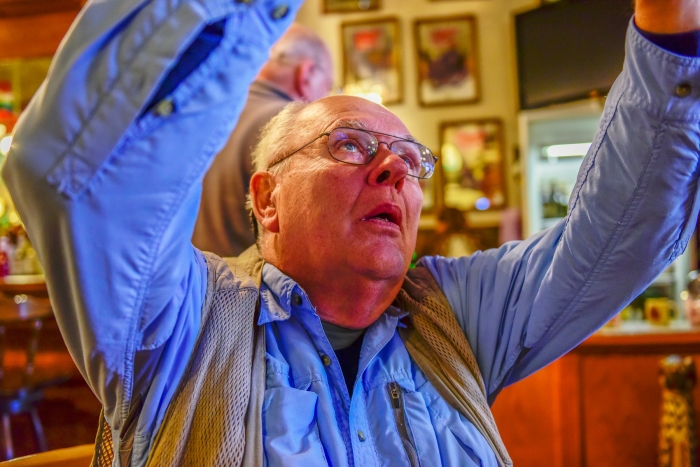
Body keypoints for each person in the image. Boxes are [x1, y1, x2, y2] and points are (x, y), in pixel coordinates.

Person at [3, 0, 700, 465]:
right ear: (266, 198)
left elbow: (621, 232)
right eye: (350, 145)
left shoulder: (454, 313)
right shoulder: (182, 322)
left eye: (411, 159)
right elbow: (83, 177)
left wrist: (675, 25)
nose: (395, 167)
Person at [193, 23, 333, 257]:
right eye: (328, 85)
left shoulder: (205, 116)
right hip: (254, 289)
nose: (326, 95)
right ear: (307, 74)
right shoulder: (296, 126)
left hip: (191, 286)